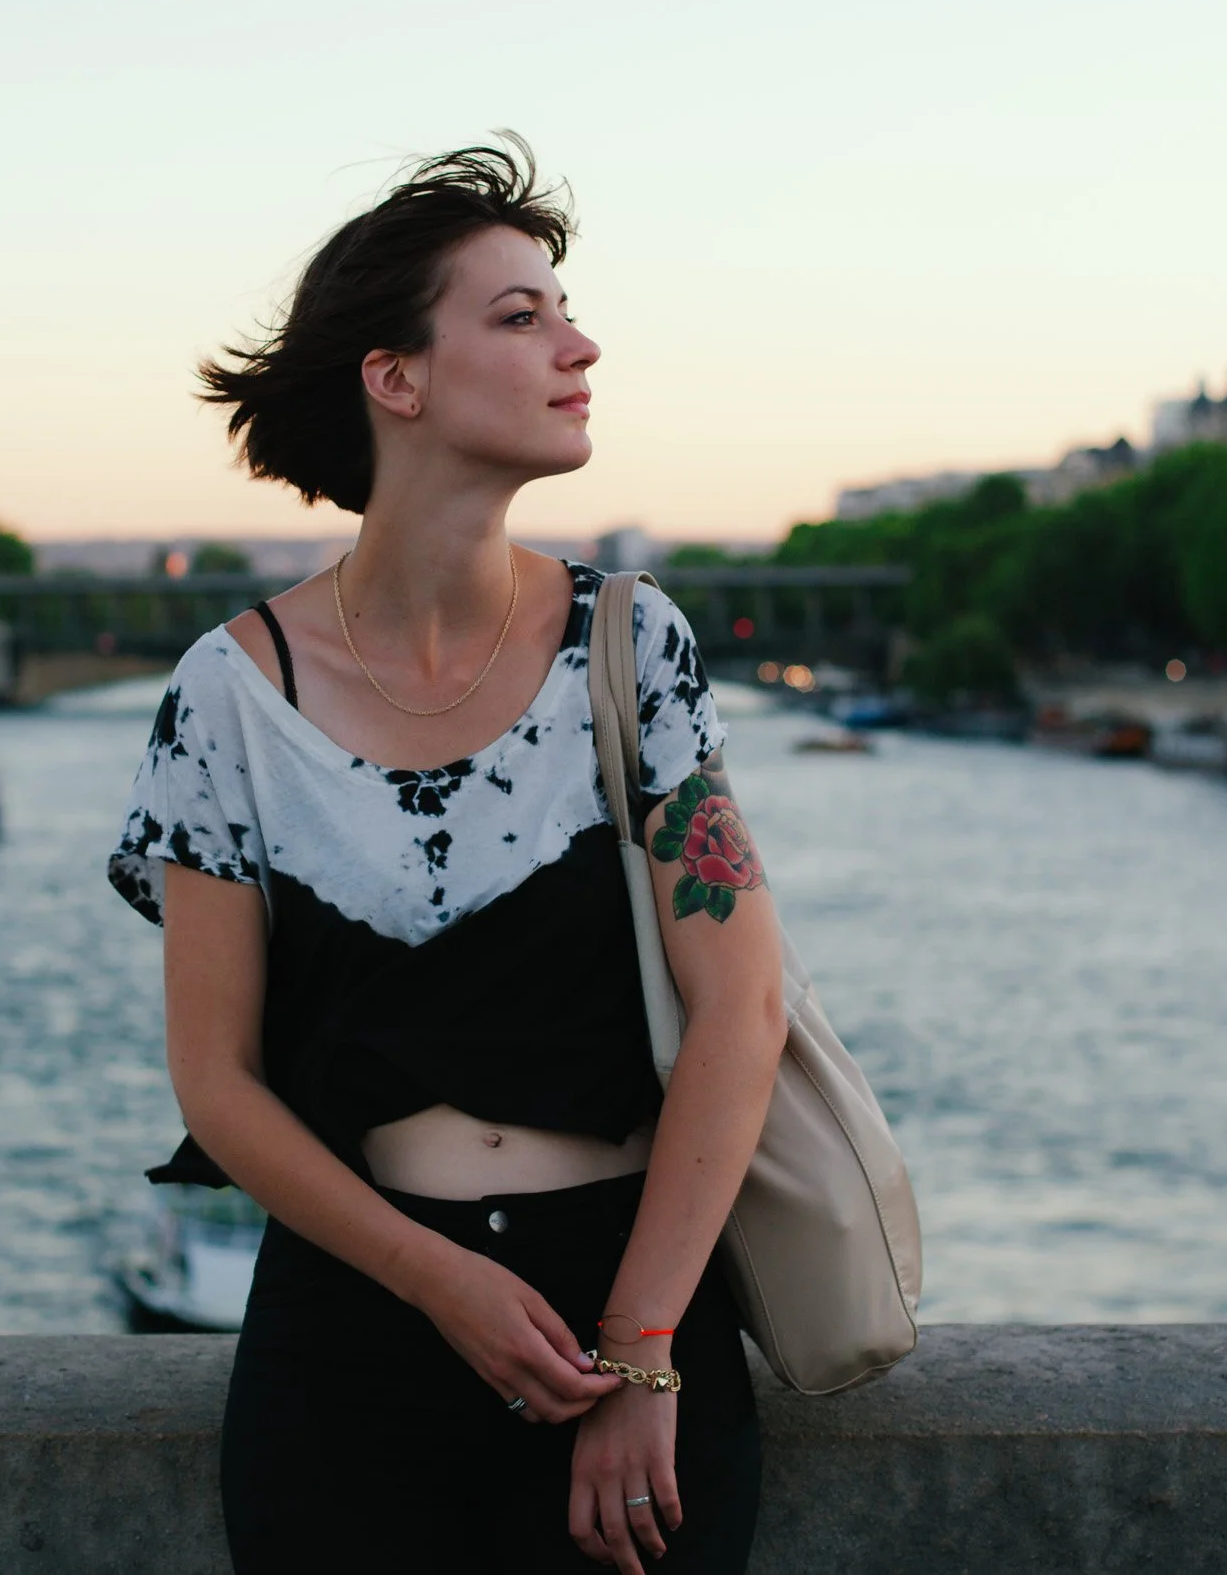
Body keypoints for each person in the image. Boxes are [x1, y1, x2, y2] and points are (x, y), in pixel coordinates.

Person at [108, 138, 787, 1573]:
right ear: (394, 376)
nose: (579, 343)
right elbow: (214, 1082)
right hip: (352, 1333)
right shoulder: (229, 695)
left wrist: (645, 1351)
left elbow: (743, 1007)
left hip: (631, 1314)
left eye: (565, 309)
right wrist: (442, 1284)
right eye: (521, 314)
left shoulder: (631, 642)